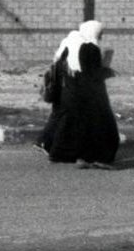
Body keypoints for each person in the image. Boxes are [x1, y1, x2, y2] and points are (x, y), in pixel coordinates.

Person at [37, 20, 119, 169]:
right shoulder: (90, 48)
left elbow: (64, 67)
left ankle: (64, 154)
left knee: (72, 126)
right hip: (89, 94)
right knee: (104, 127)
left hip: (68, 93)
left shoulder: (70, 43)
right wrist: (107, 70)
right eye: (100, 33)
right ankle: (99, 159)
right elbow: (91, 74)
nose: (100, 36)